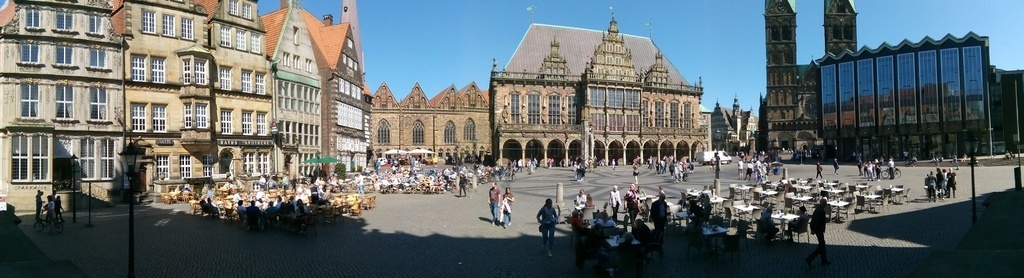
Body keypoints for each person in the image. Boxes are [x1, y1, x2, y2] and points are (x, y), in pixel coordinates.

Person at [806, 198, 832, 268]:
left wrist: (813, 229)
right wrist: (813, 230)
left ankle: (824, 260)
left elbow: (814, 220)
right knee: (821, 246)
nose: (826, 204)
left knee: (822, 245)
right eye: (825, 203)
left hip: (818, 229)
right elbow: (817, 221)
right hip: (819, 230)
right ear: (823, 203)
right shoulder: (821, 211)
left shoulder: (818, 209)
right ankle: (810, 259)